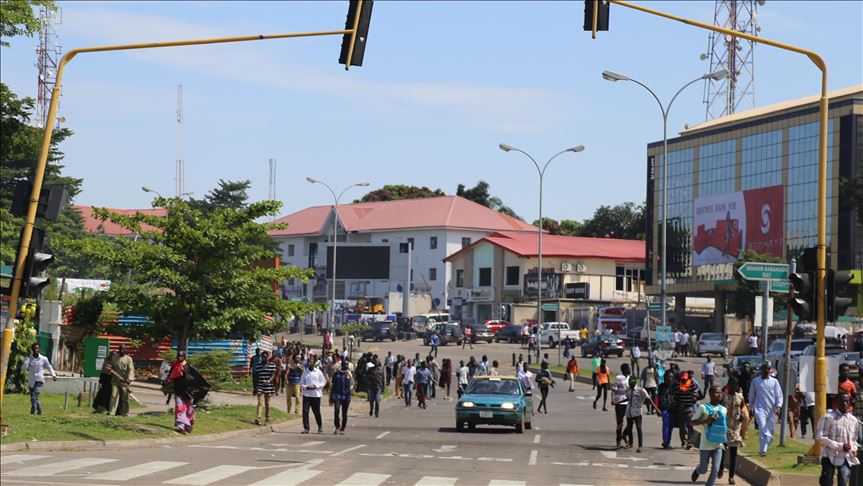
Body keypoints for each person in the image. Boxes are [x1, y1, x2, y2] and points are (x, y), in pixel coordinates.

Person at [817, 391, 860, 486]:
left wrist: (853, 449)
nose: (844, 403)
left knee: (844, 479)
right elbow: (820, 437)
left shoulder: (853, 420)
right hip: (829, 454)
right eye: (842, 401)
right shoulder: (828, 418)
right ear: (837, 402)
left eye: (846, 401)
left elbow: (854, 440)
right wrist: (839, 446)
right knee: (827, 480)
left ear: (849, 403)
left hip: (845, 456)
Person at [691, 385, 728, 486]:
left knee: (715, 469)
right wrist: (706, 421)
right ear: (710, 394)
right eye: (716, 392)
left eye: (720, 393)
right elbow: (693, 422)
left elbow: (723, 425)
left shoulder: (723, 409)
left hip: (718, 444)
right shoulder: (703, 408)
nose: (719, 395)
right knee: (703, 469)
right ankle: (698, 470)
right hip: (706, 443)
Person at [718, 376, 749, 485]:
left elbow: (743, 409)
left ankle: (731, 476)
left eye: (735, 385)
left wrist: (742, 417)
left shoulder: (740, 398)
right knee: (722, 450)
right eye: (731, 384)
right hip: (724, 427)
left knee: (734, 453)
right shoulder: (723, 396)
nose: (733, 387)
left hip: (735, 428)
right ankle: (721, 468)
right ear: (728, 384)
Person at [749, 363, 783, 456]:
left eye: (768, 369)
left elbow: (779, 395)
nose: (766, 370)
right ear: (761, 370)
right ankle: (764, 450)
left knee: (769, 429)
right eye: (764, 368)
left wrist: (778, 406)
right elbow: (751, 395)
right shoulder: (755, 381)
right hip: (759, 408)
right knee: (762, 426)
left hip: (771, 409)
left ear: (770, 370)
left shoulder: (774, 382)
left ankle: (763, 449)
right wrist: (750, 407)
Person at [21, 343, 57, 415]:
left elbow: (49, 367)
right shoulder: (29, 358)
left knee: (34, 395)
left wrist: (53, 375)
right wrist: (27, 359)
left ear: (39, 349)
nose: (35, 350)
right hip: (31, 381)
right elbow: (23, 368)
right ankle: (40, 411)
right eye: (34, 348)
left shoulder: (43, 358)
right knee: (34, 398)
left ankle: (32, 412)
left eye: (37, 348)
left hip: (39, 380)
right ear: (32, 349)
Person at [166, 350, 196, 434]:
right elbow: (170, 377)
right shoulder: (174, 366)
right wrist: (166, 382)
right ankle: (181, 427)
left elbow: (193, 379)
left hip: (188, 392)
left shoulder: (188, 367)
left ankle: (188, 423)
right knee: (179, 408)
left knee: (188, 409)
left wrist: (194, 390)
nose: (180, 358)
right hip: (178, 390)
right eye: (179, 356)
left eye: (181, 356)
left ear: (184, 357)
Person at [675, 371, 700, 450]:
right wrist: (680, 393)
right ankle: (683, 441)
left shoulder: (692, 384)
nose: (684, 381)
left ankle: (690, 441)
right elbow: (675, 396)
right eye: (682, 379)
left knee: (691, 425)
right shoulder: (678, 385)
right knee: (682, 426)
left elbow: (697, 395)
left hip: (689, 407)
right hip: (681, 408)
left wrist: (690, 393)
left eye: (685, 379)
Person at [623, 376, 649, 452]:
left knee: (638, 428)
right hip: (629, 412)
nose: (630, 386)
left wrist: (656, 409)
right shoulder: (628, 389)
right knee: (629, 428)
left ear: (634, 383)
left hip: (637, 412)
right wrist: (618, 402)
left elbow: (648, 399)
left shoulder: (641, 390)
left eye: (632, 384)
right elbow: (628, 398)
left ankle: (640, 445)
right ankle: (630, 443)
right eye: (629, 384)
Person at [300, 361, 326, 434]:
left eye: (311, 363)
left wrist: (316, 386)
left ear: (314, 364)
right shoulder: (305, 372)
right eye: (309, 363)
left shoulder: (318, 372)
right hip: (307, 395)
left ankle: (320, 426)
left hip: (316, 395)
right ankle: (306, 428)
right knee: (305, 412)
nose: (310, 364)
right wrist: (307, 387)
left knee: (316, 412)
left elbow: (323, 382)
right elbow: (301, 383)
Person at [109, 344, 134, 417]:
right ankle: (111, 413)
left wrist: (129, 378)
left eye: (123, 349)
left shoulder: (128, 359)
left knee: (124, 398)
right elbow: (111, 367)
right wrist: (110, 370)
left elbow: (131, 369)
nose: (122, 351)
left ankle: (124, 413)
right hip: (115, 380)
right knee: (113, 395)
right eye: (120, 349)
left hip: (124, 381)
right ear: (118, 350)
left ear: (125, 350)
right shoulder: (114, 357)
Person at [611, 363, 632, 448]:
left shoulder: (630, 378)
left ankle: (624, 434)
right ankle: (618, 440)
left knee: (631, 421)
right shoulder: (618, 378)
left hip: (629, 403)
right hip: (619, 403)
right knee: (620, 423)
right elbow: (613, 390)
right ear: (624, 370)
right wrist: (612, 400)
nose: (630, 370)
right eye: (628, 368)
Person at [254, 350, 276, 425]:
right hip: (260, 386)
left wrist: (269, 380)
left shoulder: (272, 365)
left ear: (268, 357)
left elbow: (273, 375)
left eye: (265, 357)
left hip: (269, 386)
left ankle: (267, 418)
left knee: (267, 403)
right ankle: (258, 417)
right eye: (263, 357)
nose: (264, 359)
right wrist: (254, 388)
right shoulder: (258, 366)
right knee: (260, 402)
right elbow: (256, 377)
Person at [330, 360, 352, 434]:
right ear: (342, 365)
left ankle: (343, 429)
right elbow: (333, 385)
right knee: (336, 411)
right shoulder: (336, 374)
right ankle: (337, 427)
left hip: (346, 396)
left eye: (347, 365)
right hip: (337, 395)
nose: (346, 366)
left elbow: (352, 385)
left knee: (344, 413)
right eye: (345, 365)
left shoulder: (349, 374)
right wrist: (331, 397)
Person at [658, 368, 677, 449]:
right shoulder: (661, 386)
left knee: (671, 426)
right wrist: (657, 408)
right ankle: (665, 442)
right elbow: (657, 397)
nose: (670, 378)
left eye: (671, 376)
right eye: (668, 376)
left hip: (673, 408)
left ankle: (668, 441)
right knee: (665, 424)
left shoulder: (676, 386)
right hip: (664, 408)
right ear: (665, 377)